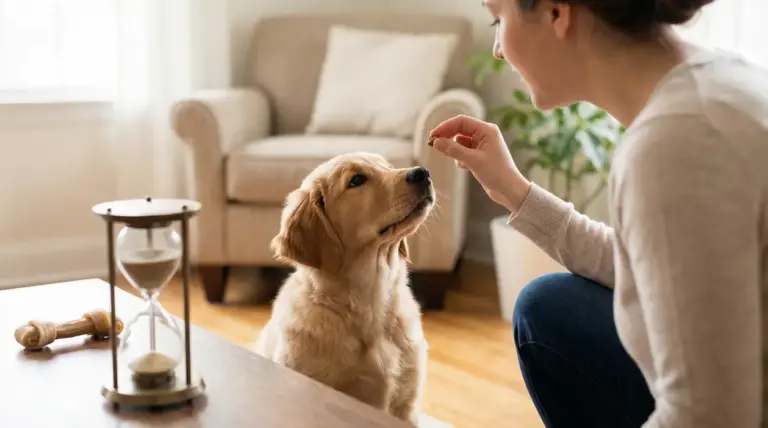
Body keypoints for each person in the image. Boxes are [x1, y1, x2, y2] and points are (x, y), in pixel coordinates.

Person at [428, 0, 768, 427]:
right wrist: (515, 193)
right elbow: (643, 270)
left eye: (499, 19)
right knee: (550, 307)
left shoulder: (675, 145)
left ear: (556, 11)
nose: (497, 48)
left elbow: (709, 418)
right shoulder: (718, 82)